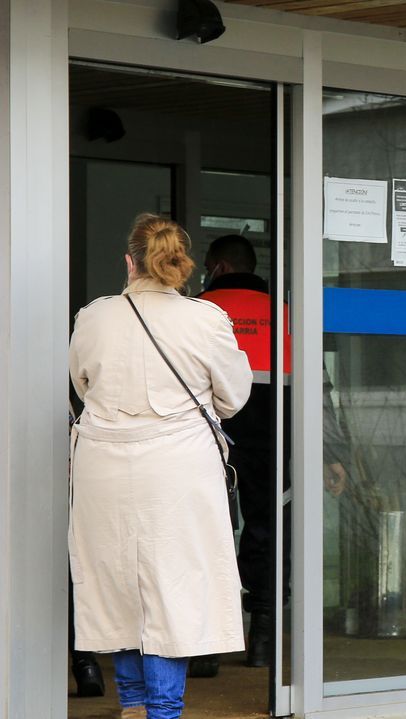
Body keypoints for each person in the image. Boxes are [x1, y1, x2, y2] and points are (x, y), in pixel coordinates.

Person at [68, 214, 252, 718]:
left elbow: (83, 386)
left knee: (115, 586)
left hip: (103, 464)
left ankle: (132, 705)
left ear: (129, 261)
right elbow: (234, 398)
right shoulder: (206, 318)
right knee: (175, 589)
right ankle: (164, 711)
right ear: (182, 265)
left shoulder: (93, 316)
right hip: (179, 468)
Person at [194, 234, 349, 674]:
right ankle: (262, 636)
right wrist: (331, 452)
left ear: (219, 268)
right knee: (267, 532)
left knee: (207, 533)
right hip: (274, 442)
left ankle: (205, 648)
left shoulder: (198, 313)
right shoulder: (285, 316)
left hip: (208, 441)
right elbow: (318, 391)